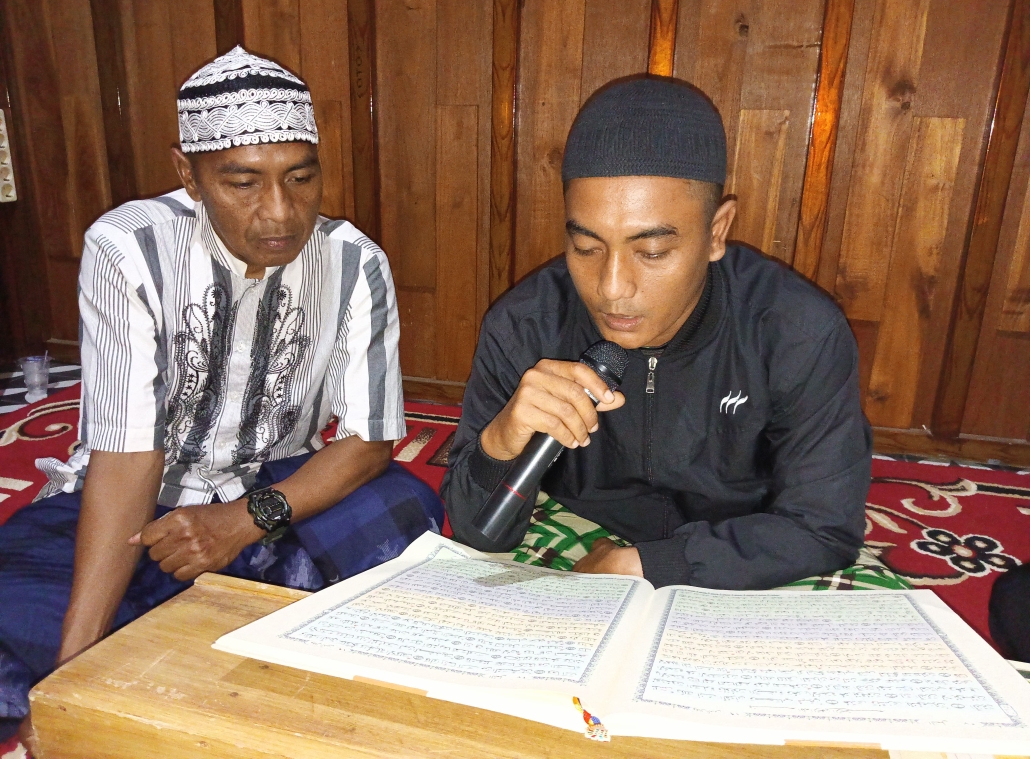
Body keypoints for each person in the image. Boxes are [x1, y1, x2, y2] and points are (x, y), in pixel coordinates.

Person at [0, 47, 443, 743]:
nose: (280, 212)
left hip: (273, 502)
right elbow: (128, 454)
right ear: (189, 175)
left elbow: (368, 440)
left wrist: (242, 520)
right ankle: (228, 638)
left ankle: (178, 640)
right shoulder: (130, 249)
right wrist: (71, 679)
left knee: (401, 510)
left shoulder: (355, 262)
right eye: (243, 183)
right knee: (20, 603)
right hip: (129, 514)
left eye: (301, 177)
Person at [442, 76, 871, 590]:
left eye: (652, 252)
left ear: (717, 232)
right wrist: (501, 440)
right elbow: (477, 534)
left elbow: (823, 526)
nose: (612, 288)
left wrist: (646, 565)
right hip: (576, 526)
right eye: (586, 248)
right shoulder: (526, 324)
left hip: (742, 543)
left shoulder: (795, 330)